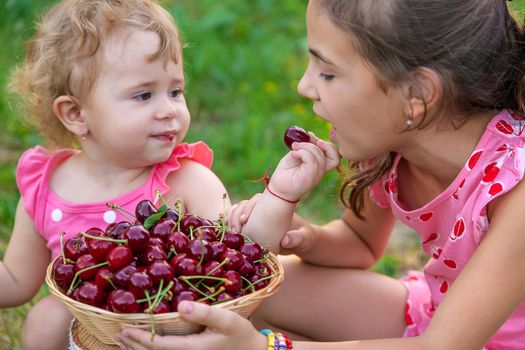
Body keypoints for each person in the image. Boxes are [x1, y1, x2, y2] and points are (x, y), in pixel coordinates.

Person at [115, 0, 525, 349]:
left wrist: (265, 347)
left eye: (326, 72)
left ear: (416, 96)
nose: (304, 86)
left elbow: (444, 346)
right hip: (433, 316)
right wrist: (307, 237)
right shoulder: (396, 145)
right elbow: (362, 243)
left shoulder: (517, 188)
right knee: (250, 294)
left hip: (451, 341)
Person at [0, 0, 230, 349]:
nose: (169, 110)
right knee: (46, 318)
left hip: (169, 333)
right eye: (143, 95)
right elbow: (16, 280)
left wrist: (276, 204)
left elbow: (231, 261)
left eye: (175, 91)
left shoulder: (187, 183)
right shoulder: (49, 185)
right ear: (76, 114)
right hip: (86, 335)